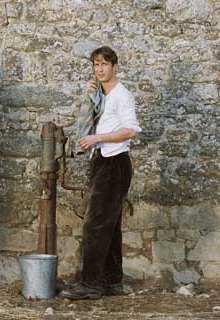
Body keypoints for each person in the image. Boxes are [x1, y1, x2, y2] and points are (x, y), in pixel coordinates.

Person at [60, 46, 142, 300]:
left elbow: (131, 130)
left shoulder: (121, 95)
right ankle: (111, 281)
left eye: (104, 64)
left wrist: (97, 137)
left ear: (115, 67)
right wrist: (90, 99)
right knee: (110, 226)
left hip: (115, 163)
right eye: (96, 65)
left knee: (94, 225)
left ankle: (91, 284)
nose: (100, 69)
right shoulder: (102, 95)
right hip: (103, 161)